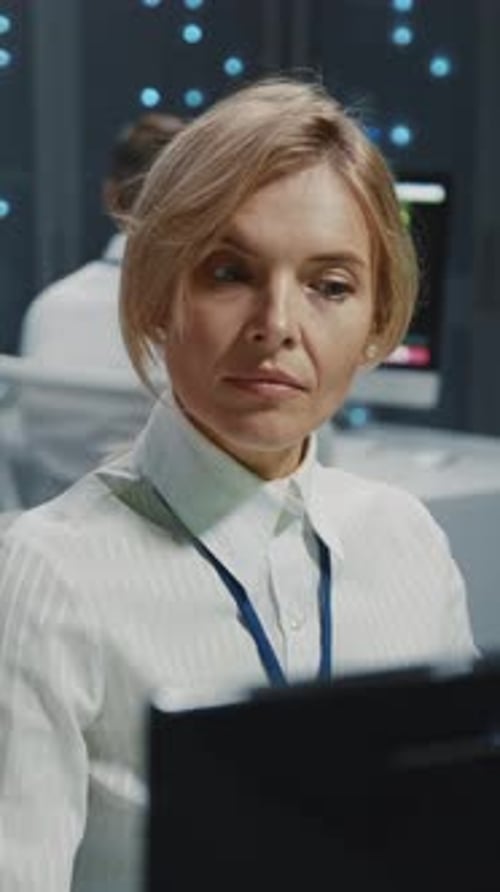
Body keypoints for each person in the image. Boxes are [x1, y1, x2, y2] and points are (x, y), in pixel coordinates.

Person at [0, 78, 476, 892]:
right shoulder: (44, 575)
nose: (278, 325)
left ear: (377, 320)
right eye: (229, 271)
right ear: (157, 297)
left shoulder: (406, 541)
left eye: (330, 286)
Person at [12, 113, 185, 507]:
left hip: (48, 535)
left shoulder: (48, 307)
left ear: (110, 196)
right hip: (172, 546)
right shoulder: (206, 320)